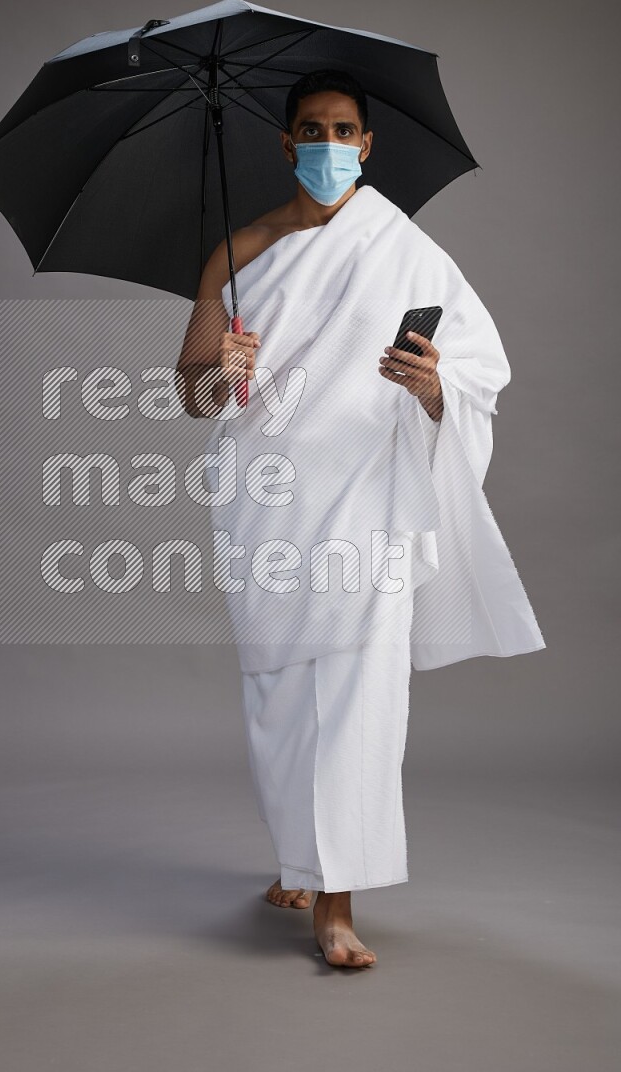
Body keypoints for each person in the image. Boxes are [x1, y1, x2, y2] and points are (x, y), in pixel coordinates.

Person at [176, 69, 544, 969]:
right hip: (267, 501)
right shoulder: (237, 250)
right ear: (285, 141)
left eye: (345, 131)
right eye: (312, 129)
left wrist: (433, 388)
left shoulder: (406, 249)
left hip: (367, 500)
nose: (329, 146)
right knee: (277, 697)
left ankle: (337, 901)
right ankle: (300, 859)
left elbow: (478, 368)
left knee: (359, 693)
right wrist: (223, 364)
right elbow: (193, 396)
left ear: (368, 146)